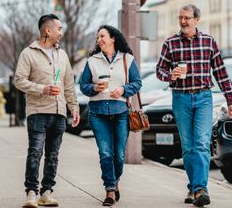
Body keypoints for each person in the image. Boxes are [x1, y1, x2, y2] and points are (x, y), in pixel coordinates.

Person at [156, 4, 232, 207]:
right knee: (188, 146)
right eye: (180, 18)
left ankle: (201, 188)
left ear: (196, 19)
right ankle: (193, 187)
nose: (183, 21)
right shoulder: (171, 43)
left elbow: (221, 74)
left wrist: (231, 101)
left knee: (201, 143)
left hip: (203, 97)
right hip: (181, 98)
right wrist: (170, 75)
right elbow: (159, 70)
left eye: (187, 18)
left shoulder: (209, 42)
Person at [14, 13, 80, 208]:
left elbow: (69, 84)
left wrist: (73, 108)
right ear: (47, 30)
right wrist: (41, 89)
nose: (61, 32)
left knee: (53, 155)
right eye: (59, 29)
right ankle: (31, 194)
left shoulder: (62, 55)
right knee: (35, 152)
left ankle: (47, 193)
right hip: (37, 111)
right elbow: (19, 80)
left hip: (59, 112)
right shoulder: (28, 53)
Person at [80, 25, 142, 206]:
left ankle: (115, 182)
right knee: (106, 153)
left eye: (102, 36)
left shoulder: (127, 59)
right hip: (98, 113)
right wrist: (93, 88)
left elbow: (137, 83)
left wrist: (123, 90)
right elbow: (83, 85)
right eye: (97, 37)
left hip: (121, 112)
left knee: (120, 155)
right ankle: (109, 189)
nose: (99, 40)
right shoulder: (92, 61)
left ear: (113, 38)